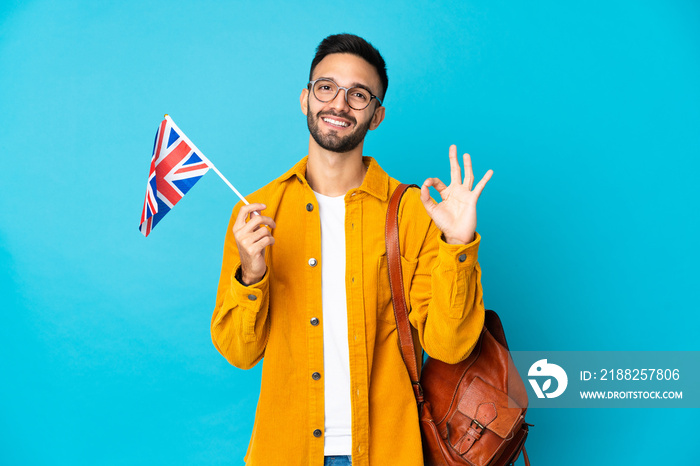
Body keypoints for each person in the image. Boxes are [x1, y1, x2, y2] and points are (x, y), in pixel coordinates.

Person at [211, 33, 492, 466]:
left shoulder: (411, 214)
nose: (339, 104)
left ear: (376, 116)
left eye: (358, 95)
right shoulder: (256, 213)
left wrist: (457, 244)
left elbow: (449, 346)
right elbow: (239, 352)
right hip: (285, 452)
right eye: (326, 88)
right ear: (305, 99)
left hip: (385, 452)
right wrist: (251, 273)